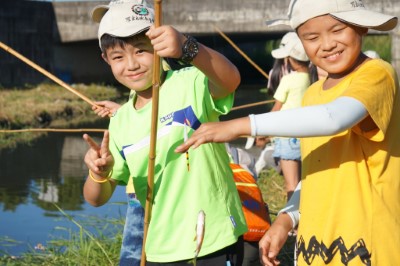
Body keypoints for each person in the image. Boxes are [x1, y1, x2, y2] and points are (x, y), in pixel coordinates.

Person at [175, 0, 400, 265]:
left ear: (361, 28)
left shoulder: (377, 74)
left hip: (367, 247)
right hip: (315, 247)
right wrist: (286, 218)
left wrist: (238, 125)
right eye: (312, 37)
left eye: (338, 30)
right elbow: (319, 170)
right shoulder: (313, 94)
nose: (327, 44)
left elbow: (334, 119)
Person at [83, 1, 248, 266]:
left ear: (159, 44)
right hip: (159, 249)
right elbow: (95, 199)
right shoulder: (121, 121)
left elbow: (230, 79)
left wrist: (187, 47)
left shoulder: (190, 82)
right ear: (106, 60)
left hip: (215, 237)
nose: (132, 65)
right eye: (118, 57)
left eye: (141, 51)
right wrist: (98, 174)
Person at [268, 32, 313, 201]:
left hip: (287, 137)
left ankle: (293, 226)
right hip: (305, 137)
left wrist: (261, 132)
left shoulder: (287, 80)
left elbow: (276, 109)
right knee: (303, 183)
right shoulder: (313, 78)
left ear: (289, 59)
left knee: (291, 185)